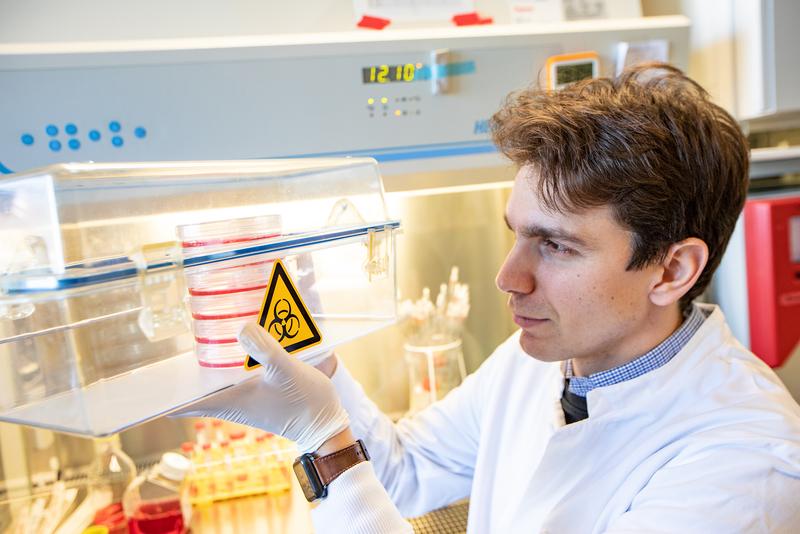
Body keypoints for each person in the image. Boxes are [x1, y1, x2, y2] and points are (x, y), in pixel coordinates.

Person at [177, 63, 800, 533]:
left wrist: (324, 439)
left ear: (673, 270)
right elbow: (403, 474)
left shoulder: (746, 461)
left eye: (555, 246)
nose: (509, 277)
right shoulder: (544, 361)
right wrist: (317, 365)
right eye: (517, 234)